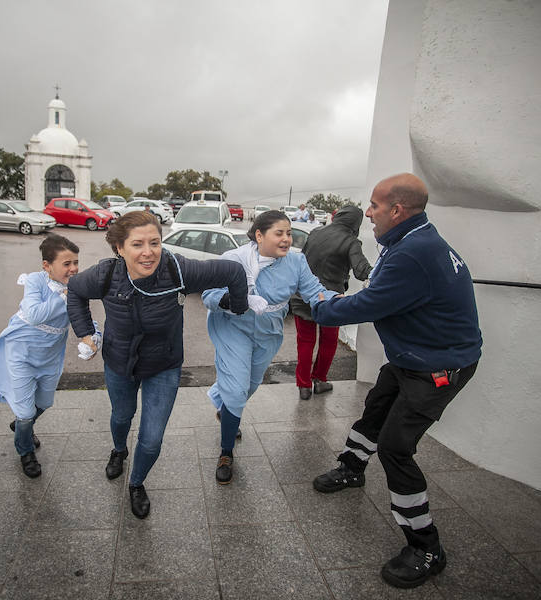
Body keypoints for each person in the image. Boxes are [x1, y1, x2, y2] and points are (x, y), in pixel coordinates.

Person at [310, 173, 482, 589]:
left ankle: (426, 546)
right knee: (374, 412)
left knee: (395, 448)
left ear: (396, 210)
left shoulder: (414, 253)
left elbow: (369, 303)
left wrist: (318, 305)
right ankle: (352, 468)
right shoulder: (408, 239)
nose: (368, 212)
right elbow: (380, 290)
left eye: (374, 205)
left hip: (437, 368)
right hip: (412, 358)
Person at [67, 211, 249, 519]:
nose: (148, 252)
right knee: (121, 415)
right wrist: (86, 333)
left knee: (151, 440)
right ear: (119, 248)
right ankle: (119, 450)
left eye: (155, 242)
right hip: (119, 362)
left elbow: (233, 272)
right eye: (137, 244)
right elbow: (75, 290)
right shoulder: (105, 275)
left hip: (163, 365)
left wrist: (237, 306)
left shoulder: (178, 270)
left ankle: (136, 483)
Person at [202, 210, 337, 485]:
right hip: (233, 326)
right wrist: (236, 301)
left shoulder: (297, 262)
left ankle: (226, 409)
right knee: (237, 388)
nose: (287, 239)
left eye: (289, 233)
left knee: (248, 386)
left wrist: (342, 301)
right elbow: (209, 295)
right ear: (260, 235)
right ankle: (226, 452)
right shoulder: (234, 260)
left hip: (269, 330)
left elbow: (315, 291)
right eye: (280, 233)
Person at [0, 233, 82, 478]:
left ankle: (21, 425)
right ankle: (25, 450)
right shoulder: (35, 281)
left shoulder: (76, 287)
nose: (73, 269)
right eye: (67, 264)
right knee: (26, 412)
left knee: (44, 403)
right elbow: (34, 315)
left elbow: (84, 318)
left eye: (75, 263)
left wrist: (94, 338)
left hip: (50, 355)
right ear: (46, 266)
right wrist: (64, 296)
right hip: (21, 350)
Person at [290, 204, 372, 400]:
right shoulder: (351, 241)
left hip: (303, 295)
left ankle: (303, 386)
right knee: (329, 341)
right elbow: (362, 272)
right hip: (330, 301)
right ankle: (319, 380)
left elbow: (303, 260)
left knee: (305, 342)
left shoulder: (316, 232)